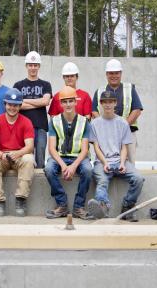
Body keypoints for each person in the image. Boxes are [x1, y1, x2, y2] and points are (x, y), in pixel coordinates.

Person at [88, 90, 144, 220]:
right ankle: (103, 206)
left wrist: (123, 163)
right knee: (102, 181)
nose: (108, 105)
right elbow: (96, 147)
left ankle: (127, 207)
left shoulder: (123, 123)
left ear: (115, 103)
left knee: (138, 178)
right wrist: (105, 163)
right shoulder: (95, 123)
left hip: (119, 160)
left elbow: (124, 147)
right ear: (101, 104)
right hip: (102, 162)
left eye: (111, 102)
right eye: (105, 102)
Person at [44, 86, 93, 220]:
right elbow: (52, 149)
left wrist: (73, 166)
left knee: (88, 170)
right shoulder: (54, 121)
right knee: (48, 169)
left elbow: (85, 150)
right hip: (60, 157)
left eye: (71, 101)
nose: (68, 104)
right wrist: (64, 165)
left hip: (79, 157)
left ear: (76, 102)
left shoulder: (84, 122)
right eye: (64, 101)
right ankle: (62, 205)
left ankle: (78, 207)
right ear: (60, 103)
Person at [0, 88, 35, 217]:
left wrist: (18, 153)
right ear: (5, 104)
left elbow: (29, 146)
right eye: (10, 104)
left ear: (20, 106)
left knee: (29, 159)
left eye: (16, 105)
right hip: (2, 155)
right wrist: (2, 155)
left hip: (20, 155)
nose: (12, 107)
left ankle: (21, 200)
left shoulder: (26, 122)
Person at [92, 59, 143, 164]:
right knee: (105, 164)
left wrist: (122, 127)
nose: (114, 76)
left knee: (129, 163)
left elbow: (137, 110)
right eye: (111, 73)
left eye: (116, 73)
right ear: (106, 74)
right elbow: (94, 111)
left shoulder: (130, 88)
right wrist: (105, 127)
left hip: (128, 133)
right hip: (105, 135)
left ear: (121, 73)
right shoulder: (100, 91)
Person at [13, 51, 52, 168]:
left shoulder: (45, 84)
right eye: (30, 65)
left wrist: (25, 101)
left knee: (40, 159)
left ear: (39, 66)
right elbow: (17, 106)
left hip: (40, 126)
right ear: (26, 66)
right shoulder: (18, 85)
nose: (33, 68)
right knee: (26, 159)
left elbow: (46, 101)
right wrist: (38, 102)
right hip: (23, 126)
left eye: (35, 65)